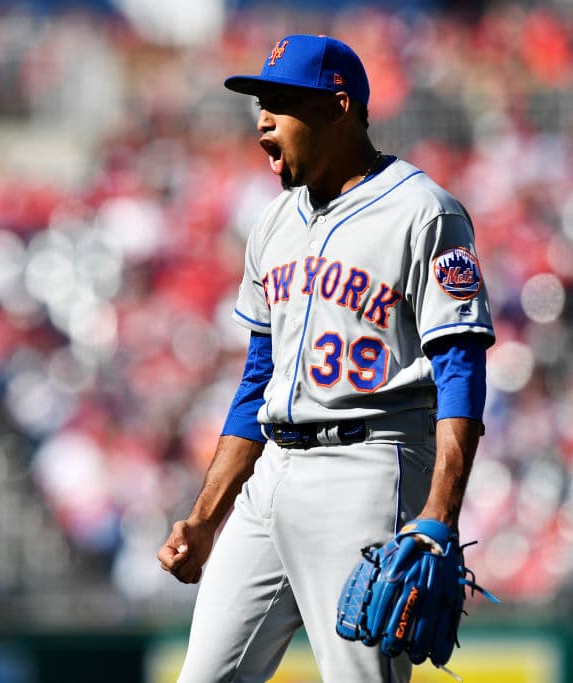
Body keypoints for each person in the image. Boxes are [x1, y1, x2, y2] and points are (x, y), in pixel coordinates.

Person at [157, 34, 495, 682]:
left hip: (366, 468)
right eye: (261, 102)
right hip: (271, 476)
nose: (262, 119)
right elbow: (259, 377)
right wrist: (205, 519)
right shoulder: (273, 223)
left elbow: (460, 368)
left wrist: (439, 512)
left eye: (279, 103)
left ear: (338, 107)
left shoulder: (425, 211)